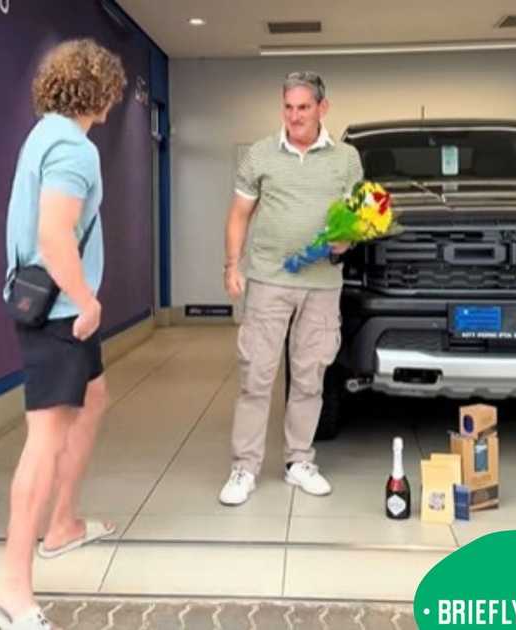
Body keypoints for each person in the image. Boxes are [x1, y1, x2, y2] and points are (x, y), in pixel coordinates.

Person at [0, 39, 126, 630]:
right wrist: (89, 301)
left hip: (54, 306)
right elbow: (53, 235)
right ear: (102, 92)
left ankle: (62, 525)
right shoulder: (74, 147)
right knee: (44, 439)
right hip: (62, 313)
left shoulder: (45, 134)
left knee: (94, 397)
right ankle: (10, 588)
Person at [219, 71, 363, 506]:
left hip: (321, 285)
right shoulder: (262, 154)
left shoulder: (346, 159)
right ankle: (244, 468)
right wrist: (232, 265)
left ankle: (299, 460)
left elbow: (354, 219)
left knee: (310, 377)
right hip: (267, 280)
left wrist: (347, 239)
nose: (295, 116)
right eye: (288, 107)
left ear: (323, 108)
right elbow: (239, 215)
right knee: (256, 377)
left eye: (304, 107)